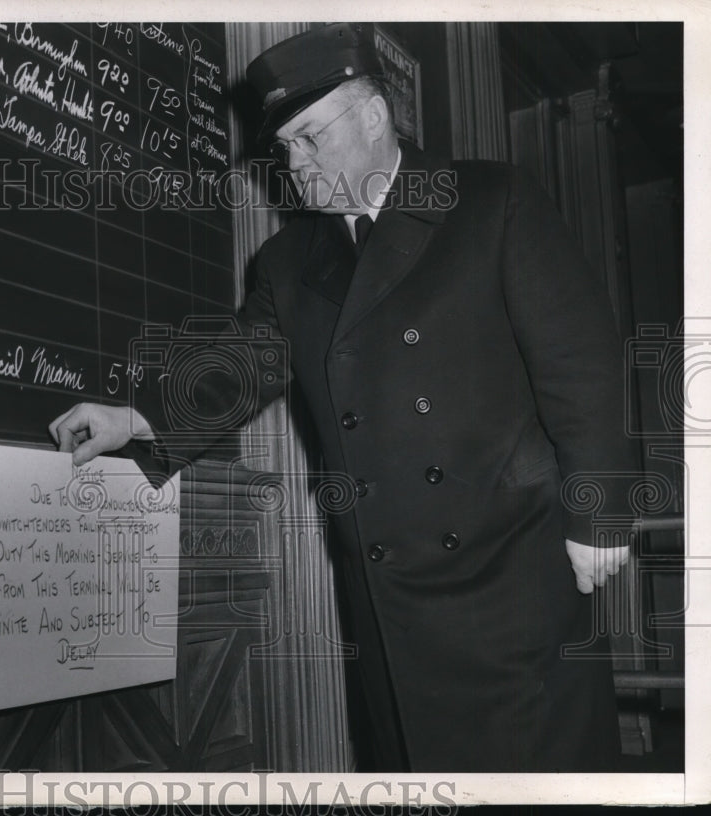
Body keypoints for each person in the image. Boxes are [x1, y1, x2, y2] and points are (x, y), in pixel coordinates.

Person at [49, 22, 637, 772]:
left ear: (373, 116)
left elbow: (579, 360)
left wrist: (601, 512)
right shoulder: (290, 260)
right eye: (285, 147)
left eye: (311, 138)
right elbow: (244, 362)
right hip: (390, 602)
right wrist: (136, 416)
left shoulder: (491, 201)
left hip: (510, 576)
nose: (296, 165)